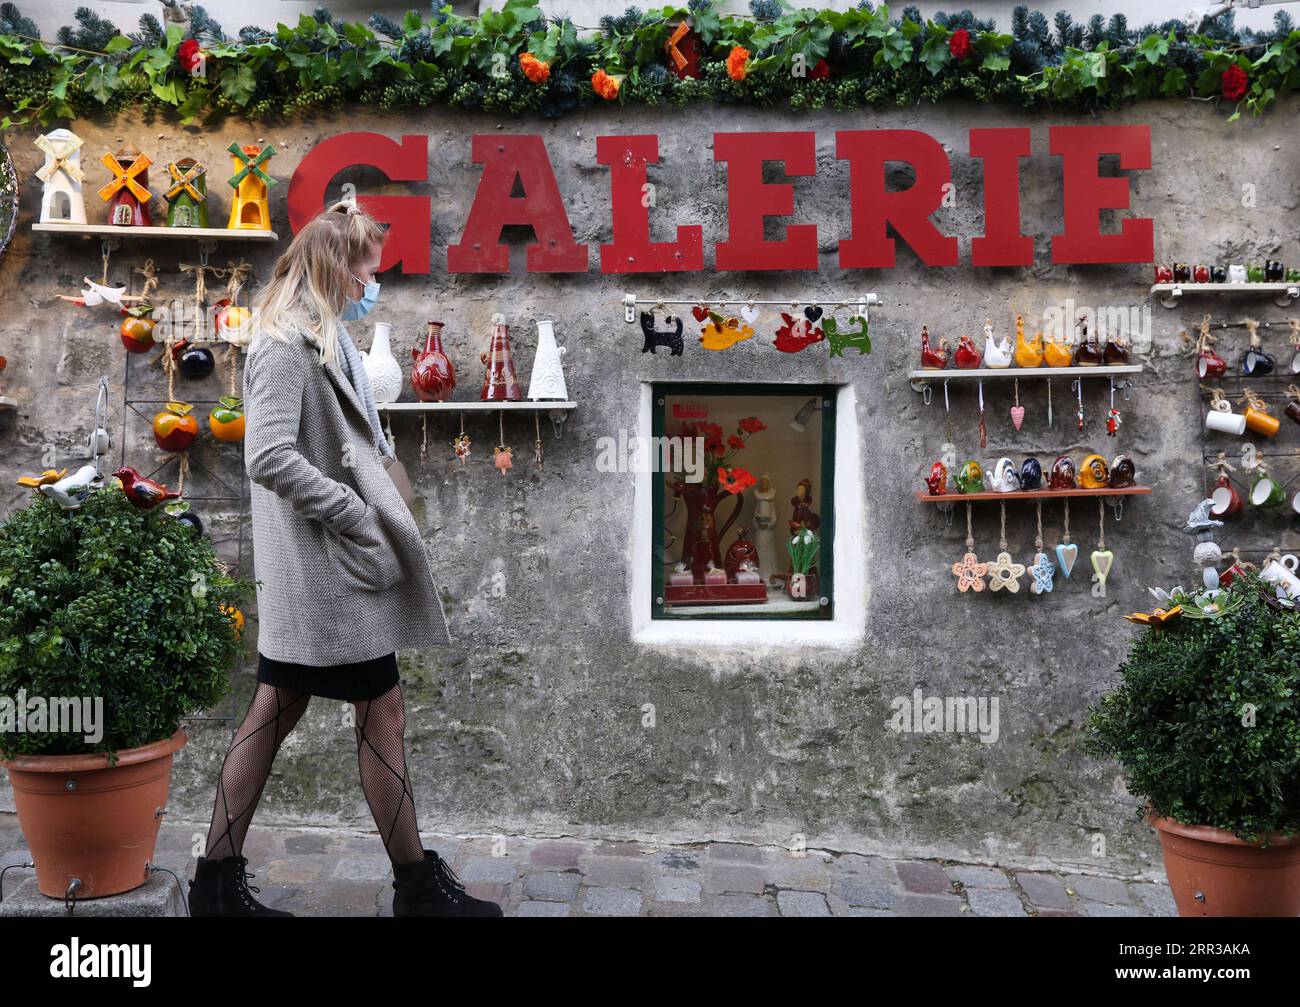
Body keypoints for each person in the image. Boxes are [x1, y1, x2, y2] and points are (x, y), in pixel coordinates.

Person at [187, 201, 501, 918]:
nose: (373, 279)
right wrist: (357, 514)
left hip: (330, 571)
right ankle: (415, 887)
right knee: (374, 707)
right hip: (323, 572)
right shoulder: (283, 346)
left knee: (282, 709)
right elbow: (267, 455)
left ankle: (216, 883)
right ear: (335, 266)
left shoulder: (327, 339)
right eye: (366, 267)